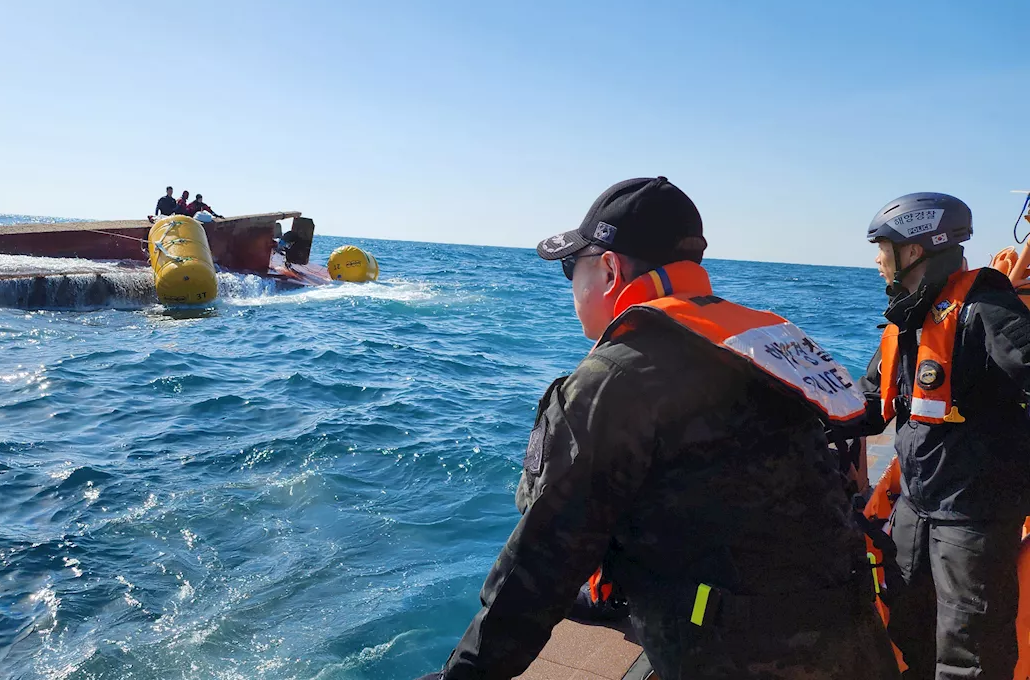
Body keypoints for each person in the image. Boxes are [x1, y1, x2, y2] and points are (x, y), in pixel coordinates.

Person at [421, 177, 899, 680]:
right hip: (855, 633)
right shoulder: (759, 345)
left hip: (744, 658)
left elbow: (543, 559)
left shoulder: (618, 375)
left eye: (570, 268)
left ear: (609, 268)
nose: (570, 286)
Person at [858, 192, 1030, 680]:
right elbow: (868, 405)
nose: (876, 259)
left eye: (882, 247)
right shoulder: (909, 318)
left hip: (974, 510)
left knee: (970, 650)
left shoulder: (986, 306)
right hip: (918, 502)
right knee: (909, 622)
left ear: (914, 251)